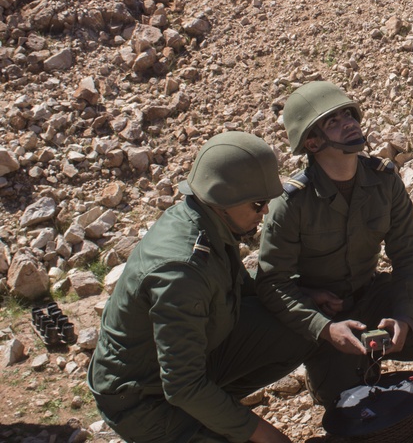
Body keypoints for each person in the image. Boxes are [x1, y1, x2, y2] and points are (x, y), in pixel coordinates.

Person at [88, 132, 315, 443]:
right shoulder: (182, 272)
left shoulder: (207, 221)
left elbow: (240, 290)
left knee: (298, 327)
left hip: (182, 367)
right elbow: (182, 384)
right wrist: (266, 434)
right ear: (222, 200)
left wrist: (307, 301)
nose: (264, 212)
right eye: (258, 203)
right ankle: (203, 420)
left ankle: (212, 412)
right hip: (142, 401)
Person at [256, 81, 413, 407]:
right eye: (333, 120)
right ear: (313, 141)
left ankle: (375, 366)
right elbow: (271, 282)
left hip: (370, 294)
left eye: (349, 114)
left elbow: (409, 253)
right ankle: (343, 368)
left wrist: (403, 316)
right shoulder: (291, 204)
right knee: (338, 398)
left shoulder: (384, 179)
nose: (349, 122)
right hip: (325, 315)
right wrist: (323, 328)